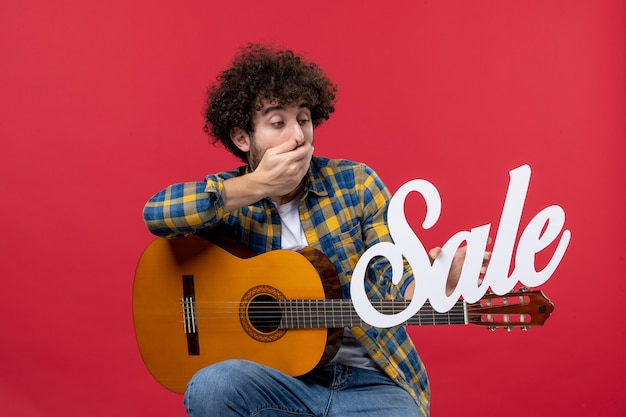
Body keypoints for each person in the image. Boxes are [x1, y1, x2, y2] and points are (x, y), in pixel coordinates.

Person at [143, 44, 476, 417]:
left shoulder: (357, 184)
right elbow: (157, 213)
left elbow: (394, 281)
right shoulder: (230, 200)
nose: (298, 136)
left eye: (303, 119)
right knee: (212, 385)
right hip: (277, 382)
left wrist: (436, 284)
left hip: (370, 382)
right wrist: (257, 186)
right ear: (242, 138)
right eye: (277, 123)